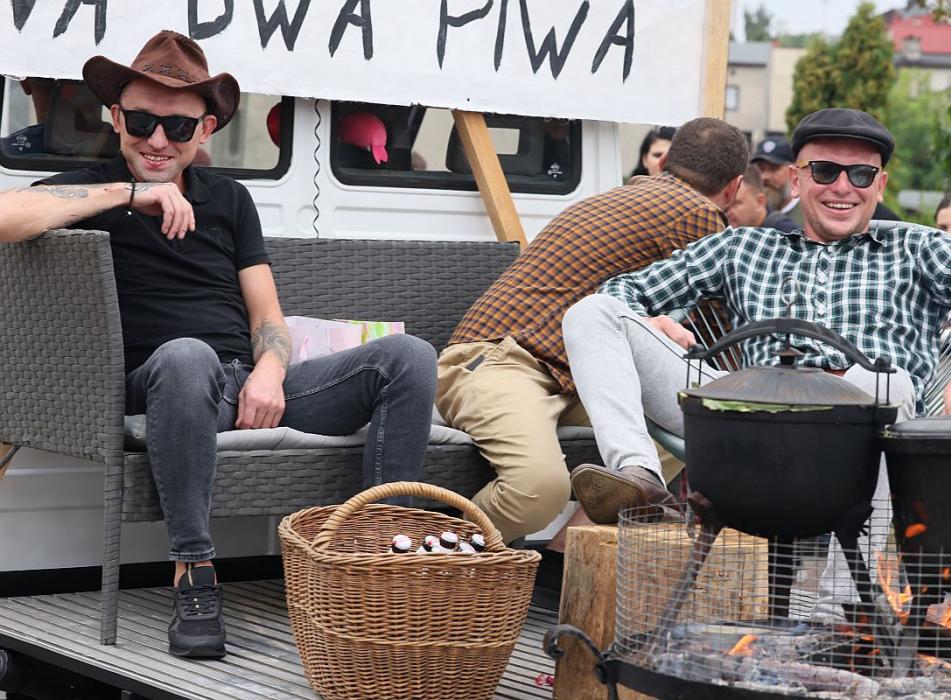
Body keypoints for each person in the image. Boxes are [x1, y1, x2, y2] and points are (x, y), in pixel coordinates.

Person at [0, 31, 437, 659]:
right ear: (116, 118)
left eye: (177, 127)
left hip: (243, 383)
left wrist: (269, 370)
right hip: (163, 382)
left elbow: (268, 315)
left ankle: (381, 559)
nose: (157, 140)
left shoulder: (230, 199)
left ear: (204, 130)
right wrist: (131, 194)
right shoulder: (92, 190)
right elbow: (7, 217)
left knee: (410, 357)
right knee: (187, 355)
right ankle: (195, 574)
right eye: (142, 122)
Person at [563, 108, 951, 532]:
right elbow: (621, 292)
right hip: (746, 420)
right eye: (825, 170)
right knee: (590, 313)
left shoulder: (914, 246)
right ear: (796, 181)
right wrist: (651, 320)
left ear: (879, 185)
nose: (843, 187)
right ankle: (640, 477)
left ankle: (843, 597)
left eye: (861, 174)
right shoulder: (744, 245)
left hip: (860, 430)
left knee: (888, 381)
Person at [436, 117, 749, 591]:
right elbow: (726, 336)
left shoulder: (621, 195)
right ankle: (421, 565)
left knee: (680, 428)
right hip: (502, 361)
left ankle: (562, 559)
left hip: (558, 374)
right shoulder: (697, 215)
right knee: (538, 489)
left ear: (664, 160)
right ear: (735, 187)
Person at [726, 164, 797, 233]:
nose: (728, 211)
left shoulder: (785, 233)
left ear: (760, 201)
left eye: (736, 203)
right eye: (726, 203)